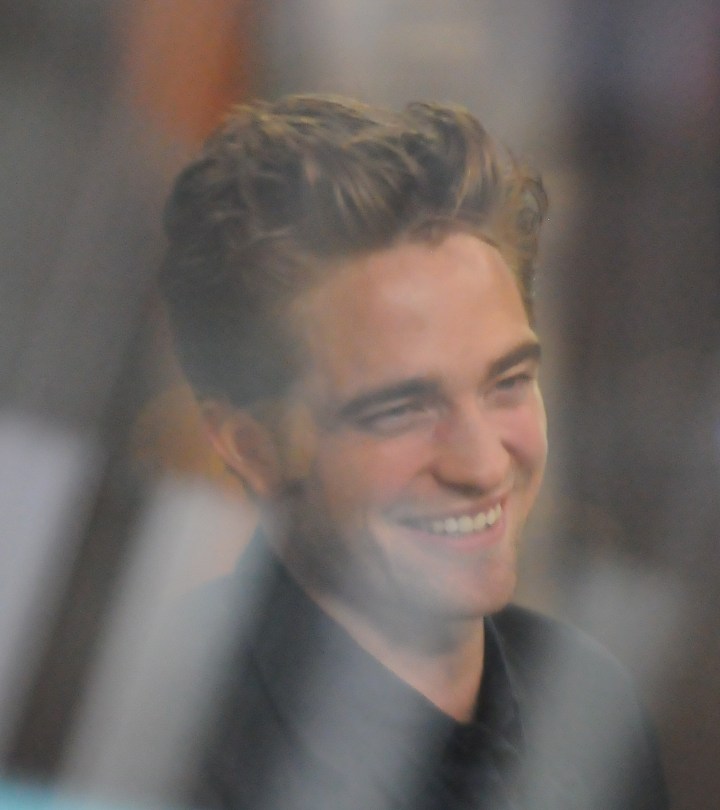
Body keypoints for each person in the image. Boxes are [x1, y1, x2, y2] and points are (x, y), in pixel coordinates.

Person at [158, 95, 668, 809]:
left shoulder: (586, 700)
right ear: (254, 448)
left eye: (507, 383)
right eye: (401, 410)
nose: (483, 466)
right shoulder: (158, 743)